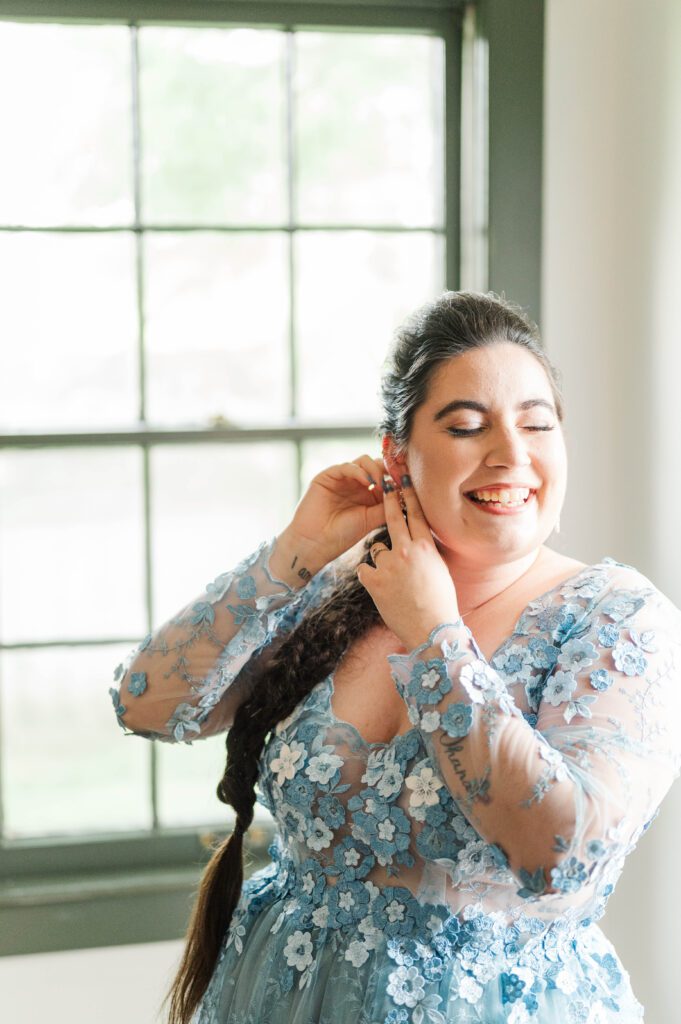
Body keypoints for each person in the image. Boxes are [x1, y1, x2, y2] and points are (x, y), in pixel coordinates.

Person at [110, 290, 681, 1024]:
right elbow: (148, 704)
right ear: (396, 455)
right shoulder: (340, 591)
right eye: (468, 427)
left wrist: (434, 631)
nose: (512, 454)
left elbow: (561, 855)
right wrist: (294, 555)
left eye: (537, 424)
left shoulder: (618, 619)